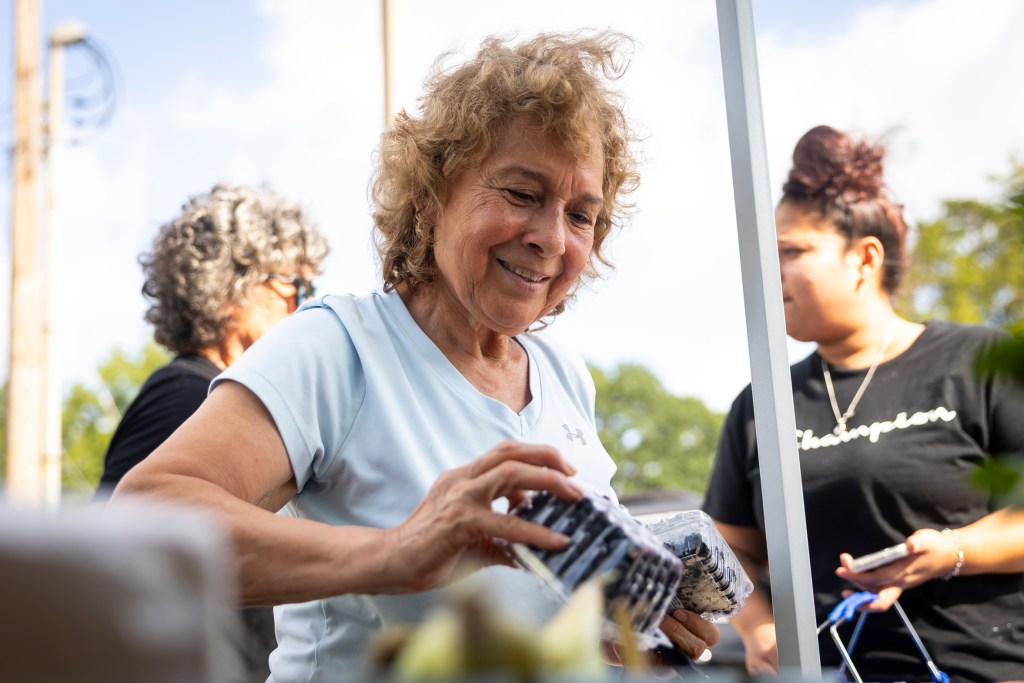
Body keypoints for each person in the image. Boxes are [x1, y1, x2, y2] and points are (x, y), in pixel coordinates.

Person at [112, 31, 718, 682]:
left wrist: (615, 627)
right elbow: (144, 525)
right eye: (521, 193)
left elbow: (521, 615)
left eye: (581, 214)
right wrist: (395, 550)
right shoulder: (339, 346)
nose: (550, 238)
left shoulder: (566, 377)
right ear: (432, 196)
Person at [702, 125, 1024, 682]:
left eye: (792, 252)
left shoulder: (978, 359)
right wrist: (757, 627)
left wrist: (951, 549)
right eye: (763, 255)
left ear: (865, 259)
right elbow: (727, 551)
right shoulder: (762, 405)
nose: (768, 273)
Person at [96, 182, 330, 682]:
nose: (305, 310)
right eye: (296, 289)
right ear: (231, 288)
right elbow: (110, 567)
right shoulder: (185, 395)